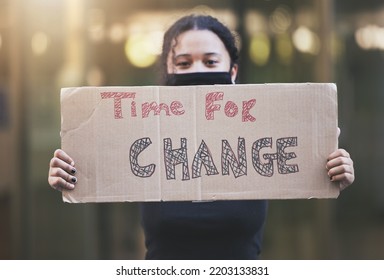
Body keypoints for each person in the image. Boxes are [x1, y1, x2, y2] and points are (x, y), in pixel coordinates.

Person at [48, 14, 355, 259]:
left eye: (210, 62)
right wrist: (68, 174)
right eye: (183, 63)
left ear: (232, 71)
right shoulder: (139, 132)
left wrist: (330, 167)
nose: (197, 70)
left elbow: (310, 167)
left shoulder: (262, 130)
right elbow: (92, 166)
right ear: (168, 71)